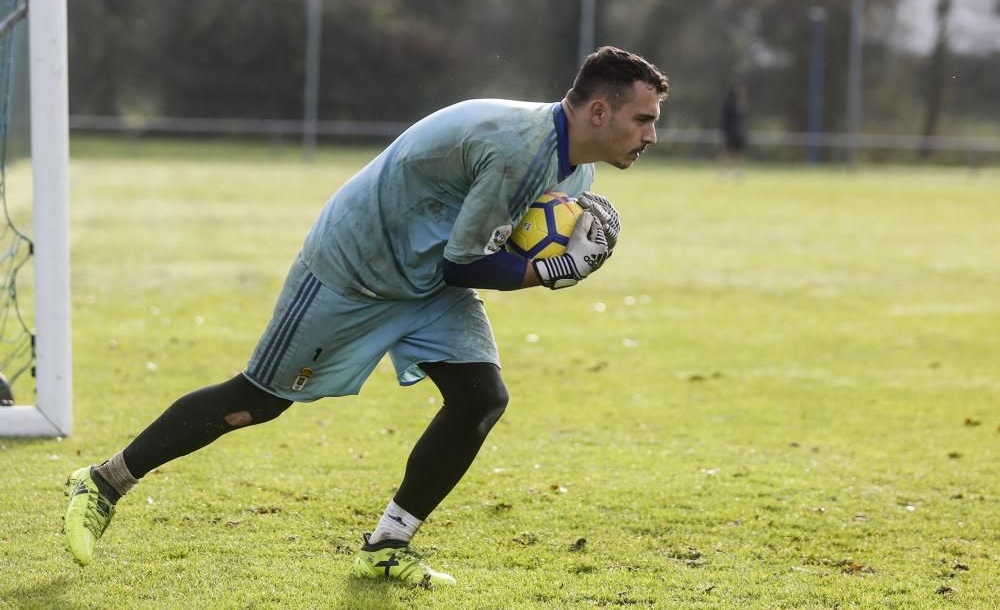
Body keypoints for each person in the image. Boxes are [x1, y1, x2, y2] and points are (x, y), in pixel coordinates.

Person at [63, 45, 668, 586]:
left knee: (481, 397)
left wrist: (537, 258)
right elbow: (466, 265)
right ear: (597, 113)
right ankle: (105, 480)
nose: (650, 136)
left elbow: (488, 246)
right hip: (353, 270)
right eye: (642, 119)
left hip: (427, 279)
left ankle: (387, 544)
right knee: (258, 401)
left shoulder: (575, 168)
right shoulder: (518, 149)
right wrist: (547, 272)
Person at [718, 83, 748, 179]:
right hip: (730, 133)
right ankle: (722, 171)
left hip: (739, 133)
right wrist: (725, 131)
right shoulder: (729, 104)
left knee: (738, 152)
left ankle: (737, 171)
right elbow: (724, 119)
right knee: (726, 152)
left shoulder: (742, 105)